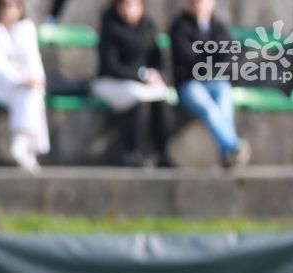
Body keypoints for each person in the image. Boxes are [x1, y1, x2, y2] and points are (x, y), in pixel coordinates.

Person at [91, 0, 175, 167]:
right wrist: (141, 75)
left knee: (162, 96)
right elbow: (111, 66)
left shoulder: (148, 26)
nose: (129, 10)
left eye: (134, 5)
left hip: (142, 82)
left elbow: (158, 59)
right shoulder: (109, 26)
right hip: (111, 82)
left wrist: (158, 75)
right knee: (139, 97)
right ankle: (133, 152)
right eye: (125, 5)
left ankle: (163, 153)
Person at [169, 0, 249, 167]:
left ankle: (228, 156)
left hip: (215, 81)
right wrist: (211, 54)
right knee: (209, 109)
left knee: (224, 104)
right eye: (194, 2)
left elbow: (229, 57)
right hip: (188, 84)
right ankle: (234, 146)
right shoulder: (180, 27)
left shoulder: (218, 26)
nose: (199, 5)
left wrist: (206, 56)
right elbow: (188, 60)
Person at [0, 0, 51, 171]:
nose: (10, 11)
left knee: (33, 91)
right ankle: (25, 148)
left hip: (19, 87)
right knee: (28, 93)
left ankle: (22, 145)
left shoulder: (26, 29)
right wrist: (20, 80)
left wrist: (36, 79)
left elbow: (33, 59)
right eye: (6, 6)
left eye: (14, 6)